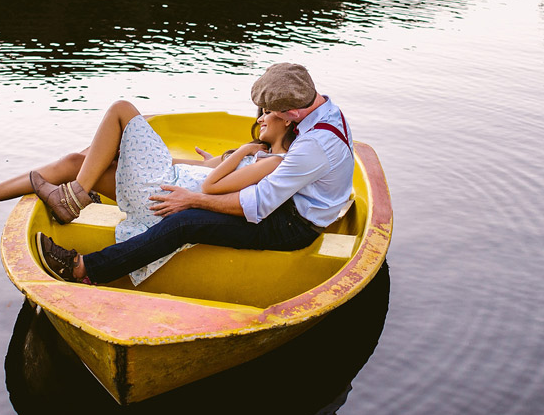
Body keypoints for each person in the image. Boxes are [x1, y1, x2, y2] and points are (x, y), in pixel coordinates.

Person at [36, 62, 355, 285]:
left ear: (293, 115)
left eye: (272, 112)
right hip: (296, 198)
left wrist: (194, 200)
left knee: (182, 223)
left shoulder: (314, 146)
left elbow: (259, 205)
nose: (263, 117)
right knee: (183, 204)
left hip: (292, 224)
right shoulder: (324, 107)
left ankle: (84, 269)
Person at [0, 92, 298, 283]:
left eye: (267, 114)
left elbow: (213, 185)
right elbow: (207, 172)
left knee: (121, 110)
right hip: (167, 186)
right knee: (81, 161)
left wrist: (241, 153)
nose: (260, 119)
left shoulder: (272, 162)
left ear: (285, 119)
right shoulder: (259, 156)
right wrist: (216, 159)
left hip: (165, 196)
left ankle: (73, 198)